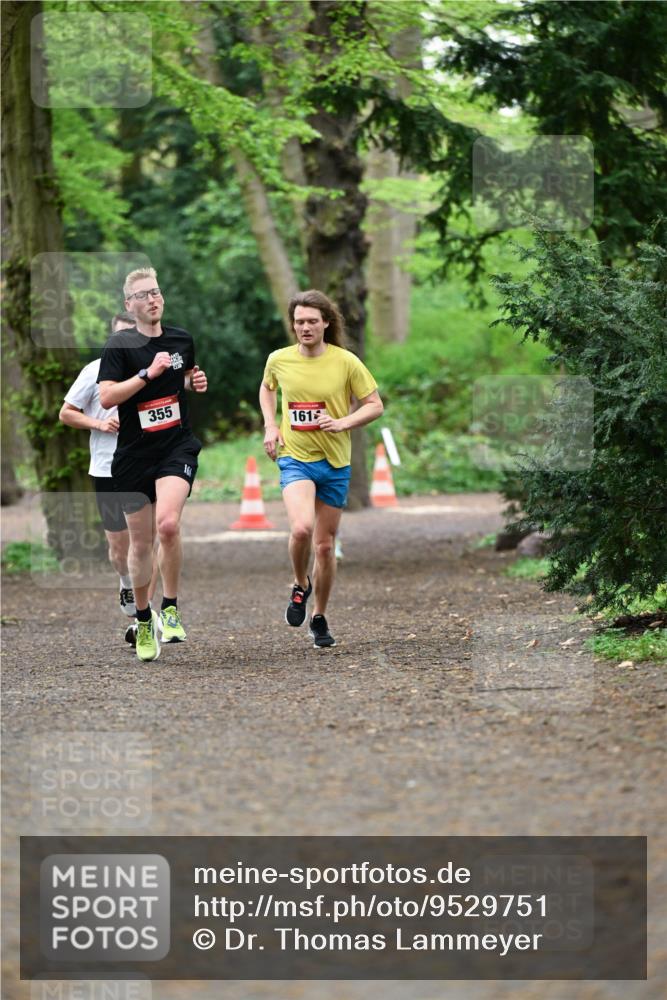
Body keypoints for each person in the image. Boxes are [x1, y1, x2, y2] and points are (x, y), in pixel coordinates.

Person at [259, 289, 383, 648]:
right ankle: (300, 583)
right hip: (296, 458)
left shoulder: (346, 362)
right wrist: (271, 425)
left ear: (326, 323)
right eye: (299, 321)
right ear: (293, 325)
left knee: (325, 547)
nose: (305, 327)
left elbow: (374, 405)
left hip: (334, 463)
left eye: (312, 320)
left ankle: (319, 615)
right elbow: (267, 389)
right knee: (301, 529)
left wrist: (343, 423)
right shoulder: (279, 360)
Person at [98, 267, 207, 662]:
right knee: (141, 543)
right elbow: (108, 397)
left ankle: (172, 606)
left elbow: (183, 380)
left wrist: (191, 383)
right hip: (133, 456)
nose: (152, 299)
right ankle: (144, 619)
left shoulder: (181, 339)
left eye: (156, 292)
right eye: (143, 295)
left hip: (176, 446)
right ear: (130, 305)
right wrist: (147, 373)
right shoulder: (119, 347)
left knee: (168, 524)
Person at [59, 312, 139, 625]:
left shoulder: (152, 373)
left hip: (145, 466)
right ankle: (126, 583)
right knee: (119, 548)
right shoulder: (94, 371)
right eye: (121, 336)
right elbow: (66, 413)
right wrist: (100, 423)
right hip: (107, 469)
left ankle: (147, 614)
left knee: (147, 540)